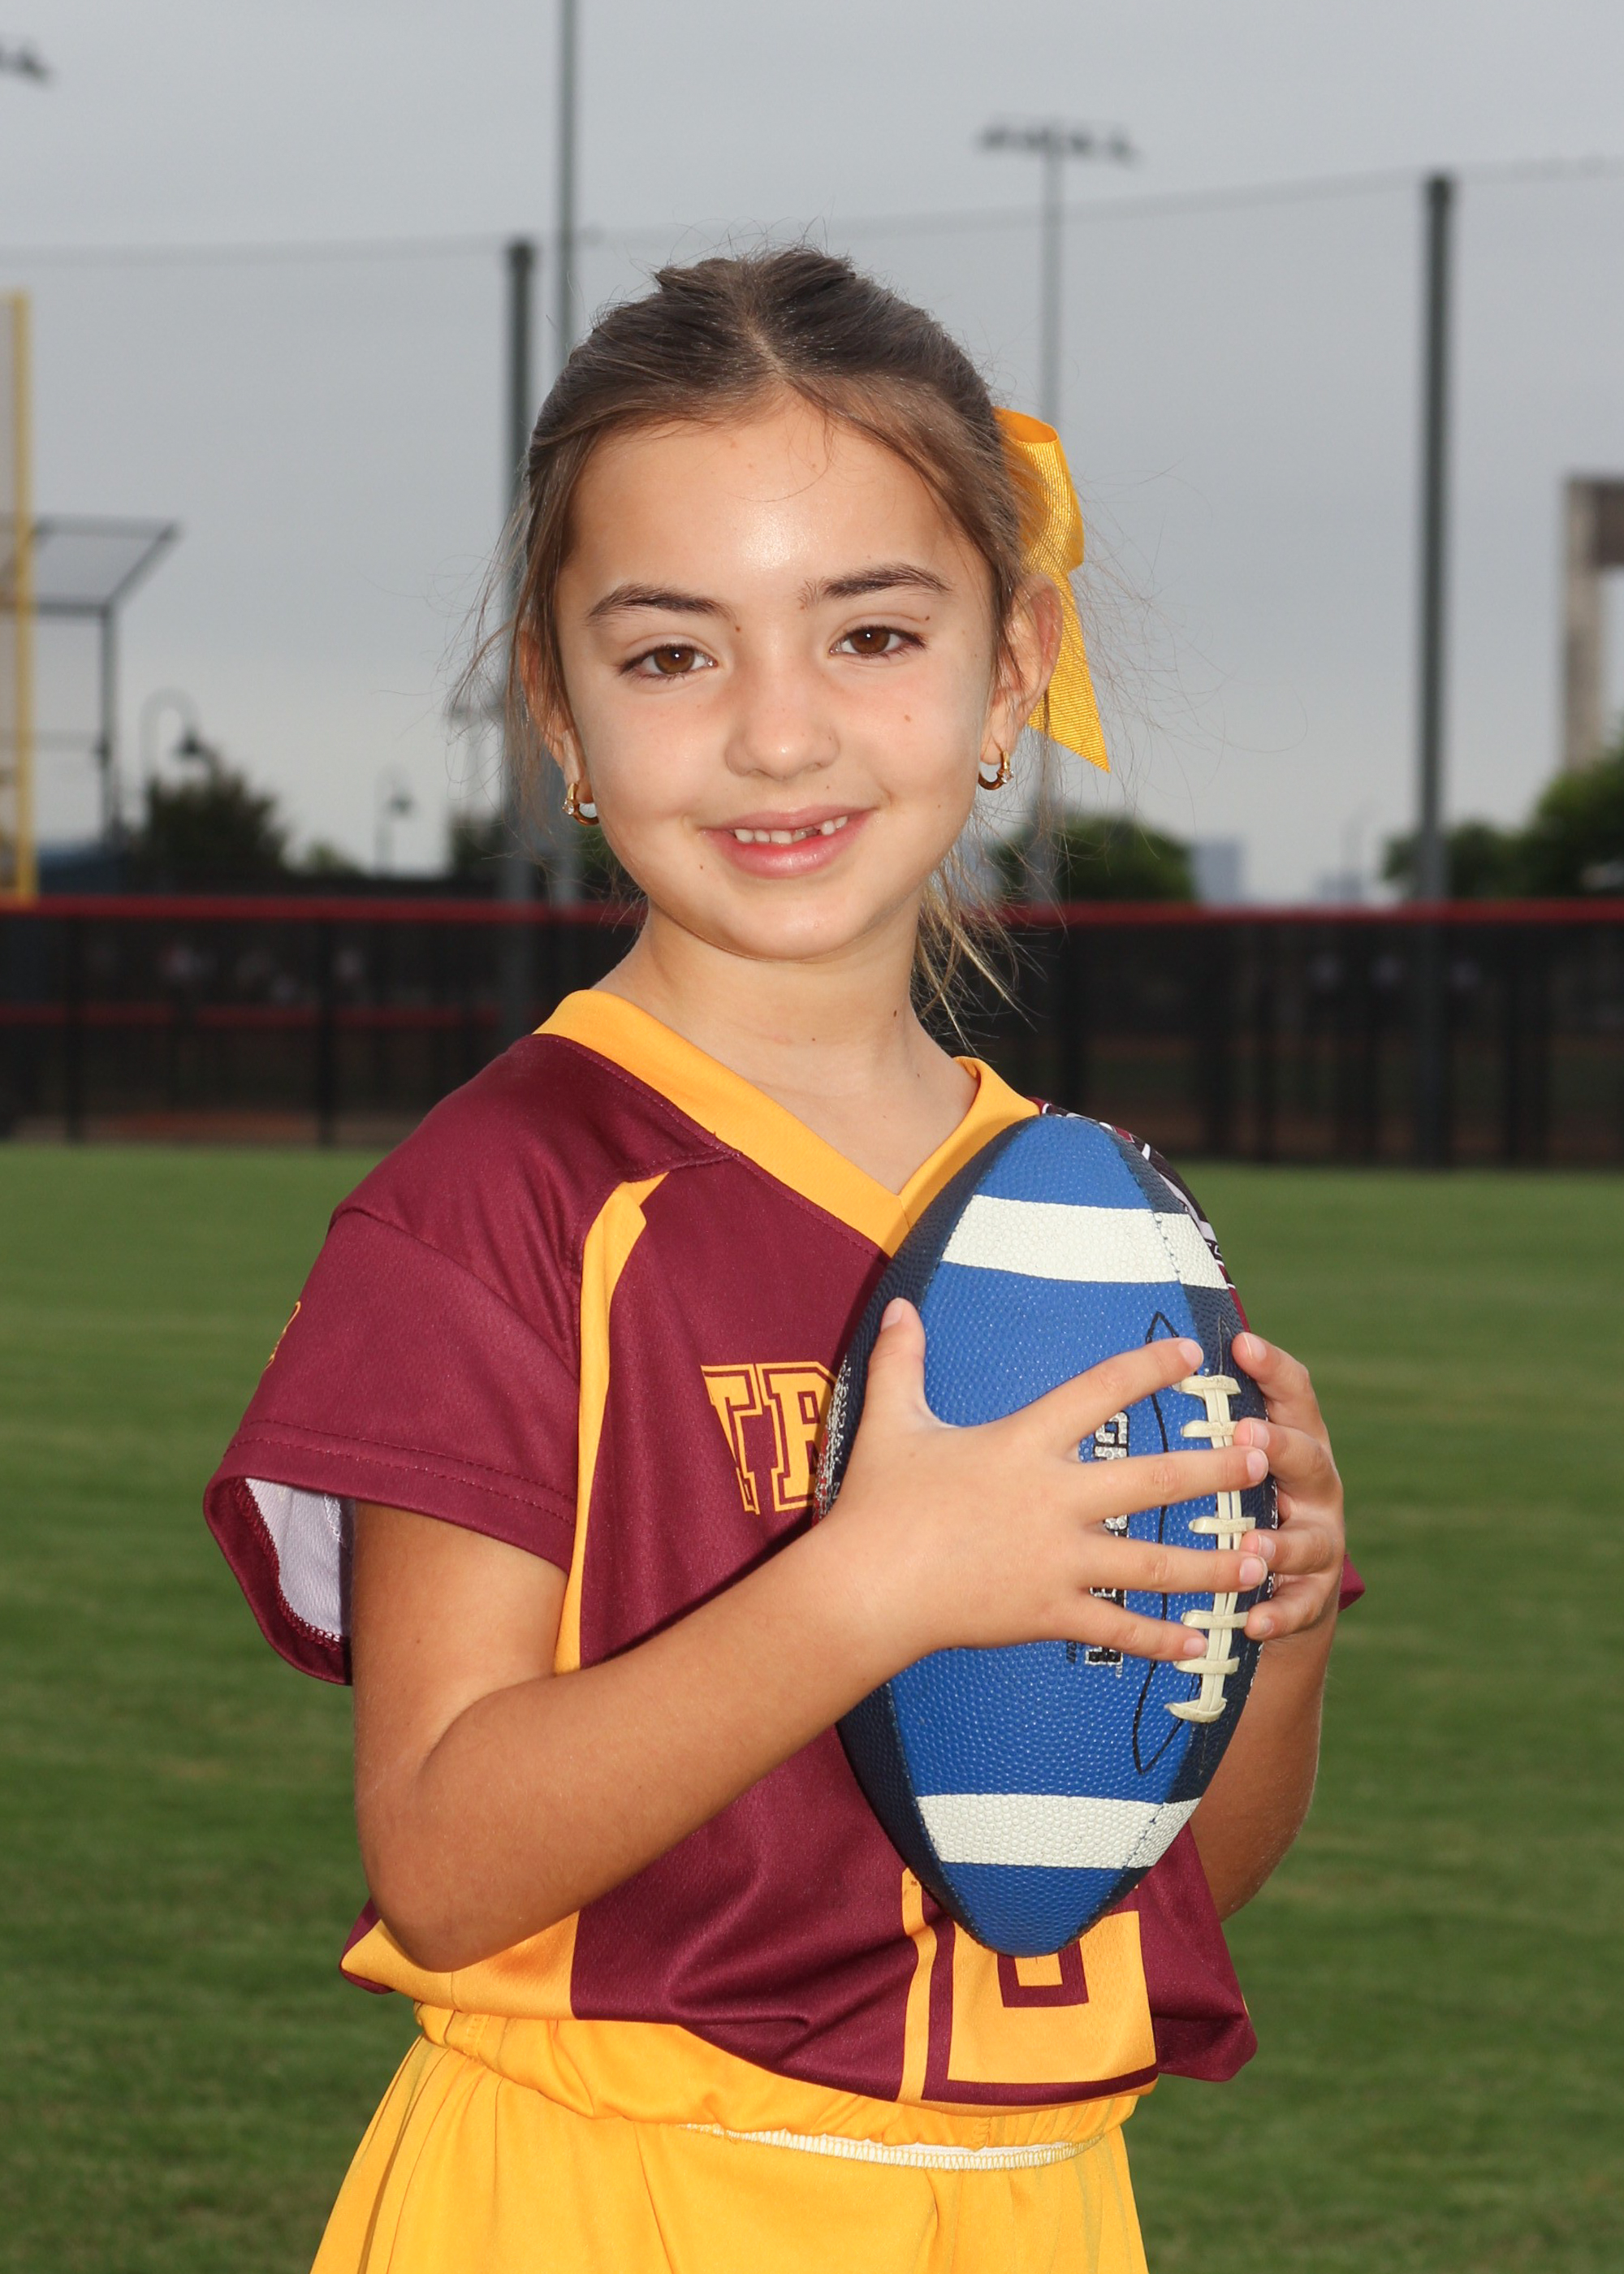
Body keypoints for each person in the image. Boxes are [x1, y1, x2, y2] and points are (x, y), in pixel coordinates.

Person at [205, 248, 1354, 2274]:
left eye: (872, 632)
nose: (777, 730)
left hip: (1032, 2211)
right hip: (607, 2196)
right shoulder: (504, 1199)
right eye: (671, 654)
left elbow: (1152, 1869)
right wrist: (871, 1581)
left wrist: (1275, 1622)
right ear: (556, 709)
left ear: (1013, 665)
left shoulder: (1089, 1226)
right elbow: (445, 1857)